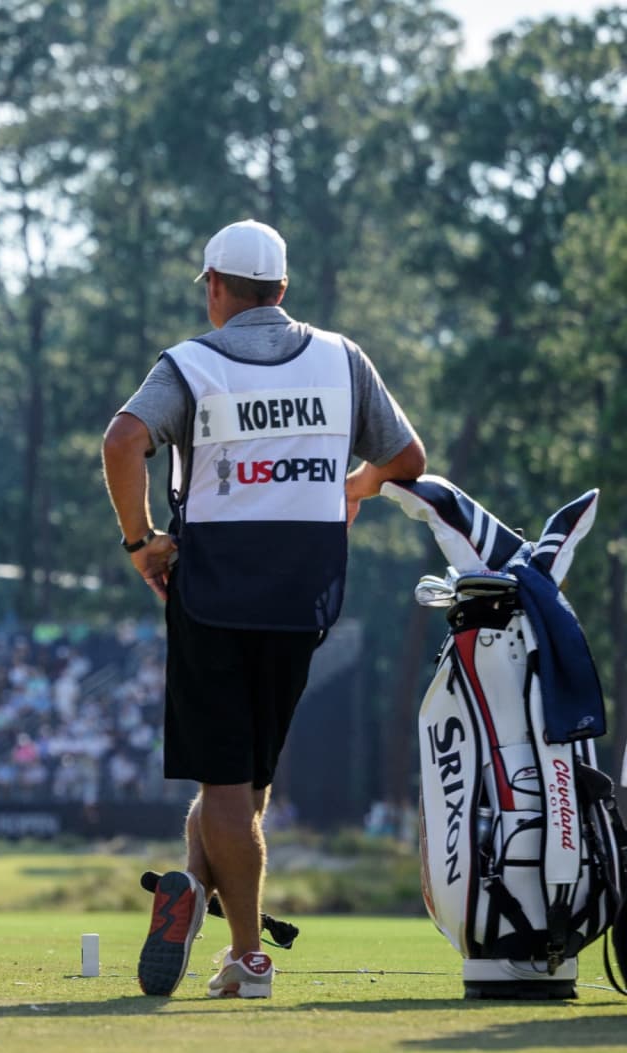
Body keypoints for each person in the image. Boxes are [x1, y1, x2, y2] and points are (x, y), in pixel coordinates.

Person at [101, 220, 424, 1000]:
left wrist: (140, 542)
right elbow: (407, 460)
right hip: (305, 596)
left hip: (212, 592)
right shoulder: (342, 359)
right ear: (282, 290)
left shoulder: (192, 363)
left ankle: (248, 958)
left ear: (215, 286)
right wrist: (356, 487)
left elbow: (122, 440)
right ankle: (189, 883)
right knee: (247, 787)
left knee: (223, 784)